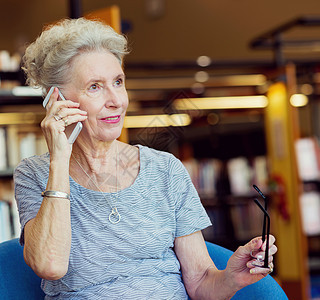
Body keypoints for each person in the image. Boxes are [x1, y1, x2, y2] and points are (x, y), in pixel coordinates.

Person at [14, 17, 277, 299]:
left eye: (118, 82)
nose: (116, 99)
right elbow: (49, 265)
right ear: (57, 100)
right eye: (95, 86)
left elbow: (201, 283)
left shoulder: (166, 170)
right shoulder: (35, 174)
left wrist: (231, 278)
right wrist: (59, 160)